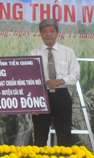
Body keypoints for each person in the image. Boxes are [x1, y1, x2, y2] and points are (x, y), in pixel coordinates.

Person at [29, 18, 80, 146]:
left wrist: (61, 81)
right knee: (40, 134)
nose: (48, 34)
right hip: (41, 96)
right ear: (40, 34)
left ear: (57, 33)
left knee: (64, 133)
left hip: (62, 95)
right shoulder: (33, 53)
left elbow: (75, 74)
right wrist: (32, 103)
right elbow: (29, 79)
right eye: (45, 31)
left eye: (52, 31)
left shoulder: (68, 52)